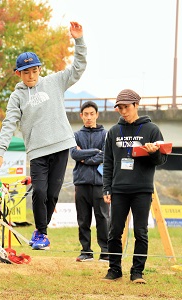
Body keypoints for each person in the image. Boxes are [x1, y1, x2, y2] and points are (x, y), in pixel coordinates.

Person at [0, 21, 87, 250]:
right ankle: (42, 233)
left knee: (52, 194)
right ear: (18, 73)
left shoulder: (54, 82)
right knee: (39, 191)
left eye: (34, 70)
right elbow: (8, 124)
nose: (31, 75)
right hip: (37, 150)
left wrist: (79, 40)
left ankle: (40, 230)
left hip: (61, 145)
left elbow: (78, 68)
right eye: (25, 72)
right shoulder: (17, 97)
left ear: (39, 69)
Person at [102, 89, 167, 284]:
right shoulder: (113, 132)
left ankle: (137, 272)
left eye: (127, 107)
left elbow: (162, 159)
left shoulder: (152, 130)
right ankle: (114, 269)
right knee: (114, 231)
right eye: (120, 108)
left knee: (141, 232)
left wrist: (153, 152)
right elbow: (108, 162)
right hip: (119, 189)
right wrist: (107, 187)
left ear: (136, 106)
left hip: (142, 190)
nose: (123, 111)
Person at [70, 101, 109, 262]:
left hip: (100, 183)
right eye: (85, 114)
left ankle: (106, 252)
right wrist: (94, 152)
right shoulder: (76, 135)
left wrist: (85, 158)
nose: (89, 117)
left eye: (92, 114)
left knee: (103, 218)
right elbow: (74, 154)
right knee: (83, 219)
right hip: (81, 183)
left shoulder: (105, 134)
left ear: (97, 115)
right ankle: (86, 251)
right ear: (81, 116)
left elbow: (106, 156)